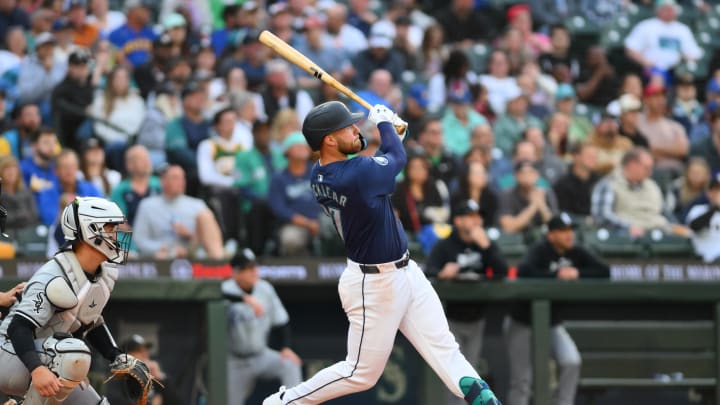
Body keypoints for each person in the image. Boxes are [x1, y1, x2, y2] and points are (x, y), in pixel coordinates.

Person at [262, 101, 500, 404]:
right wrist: (386, 126)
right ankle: (284, 402)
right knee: (360, 373)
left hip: (405, 272)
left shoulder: (320, 172)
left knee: (445, 349)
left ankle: (485, 400)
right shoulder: (356, 173)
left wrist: (392, 135)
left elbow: (375, 169)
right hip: (373, 283)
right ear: (329, 140)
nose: (356, 129)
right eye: (347, 127)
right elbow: (394, 160)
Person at [0, 197, 136, 404]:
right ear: (91, 231)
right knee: (73, 353)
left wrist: (116, 356)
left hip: (46, 357)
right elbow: (18, 328)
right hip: (8, 353)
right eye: (110, 228)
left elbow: (91, 322)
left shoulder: (104, 273)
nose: (116, 235)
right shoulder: (54, 275)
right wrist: (37, 369)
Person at [506, 213, 609, 405]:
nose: (569, 235)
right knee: (521, 380)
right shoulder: (539, 250)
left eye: (570, 230)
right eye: (563, 231)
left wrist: (577, 272)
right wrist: (556, 274)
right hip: (522, 320)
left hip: (551, 322)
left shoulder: (576, 252)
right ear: (551, 235)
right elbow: (523, 272)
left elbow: (604, 271)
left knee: (571, 361)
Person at [425, 199, 508, 405]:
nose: (476, 221)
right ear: (458, 221)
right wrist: (442, 273)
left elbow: (502, 272)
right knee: (454, 376)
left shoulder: (484, 243)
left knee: (470, 375)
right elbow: (428, 272)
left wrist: (487, 246)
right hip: (450, 319)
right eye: (470, 217)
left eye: (477, 217)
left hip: (477, 319)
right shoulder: (446, 244)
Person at [223, 248, 303, 404]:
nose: (254, 272)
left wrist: (286, 347)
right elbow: (215, 294)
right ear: (237, 272)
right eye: (249, 268)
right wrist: (244, 299)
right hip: (235, 361)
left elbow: (282, 322)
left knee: (290, 365)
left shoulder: (264, 288)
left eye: (255, 267)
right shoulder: (226, 289)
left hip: (261, 355)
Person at [133, 164, 224, 259]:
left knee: (205, 216)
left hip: (191, 253)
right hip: (161, 255)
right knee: (161, 256)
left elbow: (205, 239)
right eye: (175, 178)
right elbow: (140, 240)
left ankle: (219, 264)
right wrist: (164, 248)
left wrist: (189, 235)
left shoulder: (197, 205)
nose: (181, 182)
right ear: (163, 181)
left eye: (183, 178)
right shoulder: (147, 206)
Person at [268, 132, 322, 256]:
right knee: (290, 239)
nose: (302, 148)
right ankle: (302, 271)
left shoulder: (320, 171)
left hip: (322, 221)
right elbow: (279, 208)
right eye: (297, 145)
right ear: (287, 151)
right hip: (294, 225)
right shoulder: (279, 178)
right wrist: (307, 223)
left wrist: (321, 221)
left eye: (304, 145)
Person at [105, 334, 182, 405]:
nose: (145, 354)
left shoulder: (151, 377)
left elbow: (176, 402)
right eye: (139, 351)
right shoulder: (117, 376)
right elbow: (114, 401)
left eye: (145, 351)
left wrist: (161, 378)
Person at [110, 145, 161, 227]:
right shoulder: (120, 190)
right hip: (130, 237)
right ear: (129, 165)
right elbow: (119, 223)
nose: (146, 162)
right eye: (141, 159)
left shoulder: (160, 185)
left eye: (147, 157)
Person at [686, 173, 720, 262]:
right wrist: (715, 208)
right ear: (709, 193)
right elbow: (694, 227)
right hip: (704, 264)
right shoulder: (698, 210)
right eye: (717, 190)